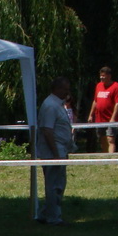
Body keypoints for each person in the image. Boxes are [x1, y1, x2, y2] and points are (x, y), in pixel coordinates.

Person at [36, 77, 73, 226]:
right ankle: (53, 218)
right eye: (65, 89)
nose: (67, 92)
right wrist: (56, 154)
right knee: (54, 185)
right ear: (57, 89)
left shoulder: (57, 105)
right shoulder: (51, 106)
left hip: (60, 150)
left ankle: (45, 214)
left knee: (58, 184)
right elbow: (47, 131)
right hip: (53, 152)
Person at [87, 66, 118, 154]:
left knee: (110, 139)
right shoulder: (98, 86)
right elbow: (95, 101)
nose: (101, 77)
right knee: (102, 139)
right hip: (99, 119)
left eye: (103, 76)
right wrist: (91, 115)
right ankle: (105, 157)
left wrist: (113, 118)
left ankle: (111, 158)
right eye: (101, 76)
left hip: (110, 119)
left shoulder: (116, 86)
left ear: (109, 76)